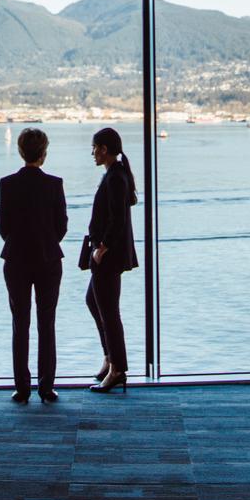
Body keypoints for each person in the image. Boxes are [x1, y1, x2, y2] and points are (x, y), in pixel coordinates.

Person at [0, 126, 68, 404]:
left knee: (20, 323)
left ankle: (21, 387)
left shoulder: (7, 184)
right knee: (46, 323)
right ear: (44, 153)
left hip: (16, 259)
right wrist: (47, 241)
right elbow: (61, 226)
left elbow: (2, 226)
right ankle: (46, 386)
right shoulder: (54, 184)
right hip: (48, 258)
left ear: (20, 150)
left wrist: (18, 242)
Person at [83, 126, 139, 393]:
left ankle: (117, 368)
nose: (92, 153)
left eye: (94, 147)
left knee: (109, 311)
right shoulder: (115, 174)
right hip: (107, 254)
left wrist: (102, 247)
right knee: (94, 301)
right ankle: (110, 359)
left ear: (104, 149)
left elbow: (117, 218)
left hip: (108, 255)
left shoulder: (115, 177)